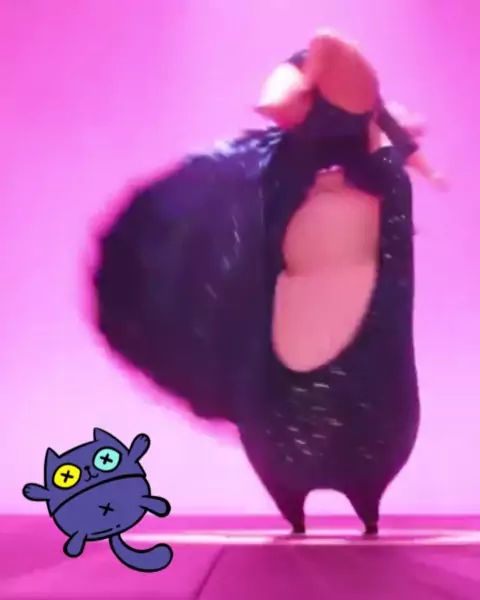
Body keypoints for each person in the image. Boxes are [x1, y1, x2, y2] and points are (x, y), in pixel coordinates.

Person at [93, 30, 444, 535]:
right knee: (298, 348)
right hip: (291, 374)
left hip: (360, 378)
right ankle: (311, 484)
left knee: (354, 351)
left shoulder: (367, 158)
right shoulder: (292, 165)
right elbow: (292, 92)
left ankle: (348, 487)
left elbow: (324, 76)